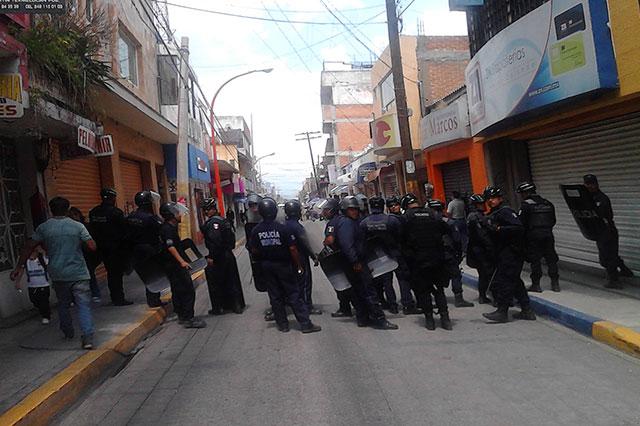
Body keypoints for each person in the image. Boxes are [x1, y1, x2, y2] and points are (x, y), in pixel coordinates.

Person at [11, 197, 97, 349]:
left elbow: (28, 246)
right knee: (83, 304)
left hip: (58, 273)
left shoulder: (44, 228)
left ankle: (67, 330)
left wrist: (19, 267)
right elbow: (92, 246)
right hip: (79, 272)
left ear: (51, 210)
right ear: (68, 209)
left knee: (63, 304)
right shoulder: (78, 226)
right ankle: (88, 338)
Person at [248, 198, 321, 334]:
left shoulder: (256, 230)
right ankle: (305, 324)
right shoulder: (282, 228)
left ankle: (283, 325)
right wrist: (298, 265)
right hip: (284, 266)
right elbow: (293, 249)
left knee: (275, 296)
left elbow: (254, 250)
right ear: (275, 211)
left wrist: (265, 252)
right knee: (294, 293)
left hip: (267, 266)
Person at [334, 196, 398, 330]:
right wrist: (355, 261)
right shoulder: (346, 223)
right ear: (345, 210)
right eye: (351, 210)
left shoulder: (350, 222)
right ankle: (379, 319)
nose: (355, 212)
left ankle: (363, 318)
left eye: (356, 209)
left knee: (359, 291)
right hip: (356, 263)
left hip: (355, 262)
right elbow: (347, 245)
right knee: (369, 291)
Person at [482, 187, 536, 323]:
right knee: (515, 282)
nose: (490, 201)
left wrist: (499, 229)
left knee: (505, 282)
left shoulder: (505, 211)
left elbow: (518, 228)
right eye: (488, 198)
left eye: (493, 198)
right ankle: (527, 310)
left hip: (511, 253)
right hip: (503, 253)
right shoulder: (495, 213)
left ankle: (502, 311)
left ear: (500, 198)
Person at [401, 193, 452, 330]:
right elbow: (448, 231)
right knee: (439, 290)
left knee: (423, 291)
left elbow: (401, 240)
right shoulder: (433, 214)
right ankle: (445, 319)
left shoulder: (406, 218)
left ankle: (430, 320)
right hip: (437, 259)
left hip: (417, 261)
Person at [159, 202, 206, 329]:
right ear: (171, 215)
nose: (180, 215)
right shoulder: (167, 229)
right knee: (188, 290)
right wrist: (182, 262)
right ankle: (188, 318)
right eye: (177, 213)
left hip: (172, 265)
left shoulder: (170, 227)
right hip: (174, 266)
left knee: (177, 290)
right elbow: (171, 247)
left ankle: (181, 315)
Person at [583, 174, 634, 289]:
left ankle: (614, 281)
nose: (589, 187)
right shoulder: (590, 198)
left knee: (606, 258)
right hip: (600, 231)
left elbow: (602, 215)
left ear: (596, 184)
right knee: (611, 254)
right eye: (587, 184)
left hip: (607, 231)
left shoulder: (602, 199)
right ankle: (625, 271)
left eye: (591, 184)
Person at [200, 198, 245, 315]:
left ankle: (218, 307)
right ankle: (237, 305)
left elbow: (216, 242)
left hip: (219, 257)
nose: (205, 212)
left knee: (216, 283)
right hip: (228, 255)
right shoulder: (224, 221)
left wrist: (211, 256)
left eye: (206, 210)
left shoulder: (212, 224)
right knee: (232, 280)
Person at [427, 199, 474, 308]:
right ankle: (459, 299)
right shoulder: (449, 222)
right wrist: (459, 253)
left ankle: (437, 298)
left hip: (433, 254)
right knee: (455, 275)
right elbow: (457, 239)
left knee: (434, 277)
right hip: (448, 254)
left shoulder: (427, 223)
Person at [89, 188, 132, 306]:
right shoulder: (116, 213)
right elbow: (124, 231)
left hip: (99, 248)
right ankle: (118, 298)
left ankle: (99, 295)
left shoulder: (94, 212)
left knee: (102, 272)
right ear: (113, 198)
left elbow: (92, 229)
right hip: (114, 248)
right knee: (115, 274)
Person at [516, 182, 560, 292]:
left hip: (533, 236)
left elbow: (521, 223)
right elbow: (553, 220)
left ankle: (536, 285)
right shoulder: (548, 203)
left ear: (526, 193)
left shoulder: (526, 205)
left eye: (522, 193)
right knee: (551, 259)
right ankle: (555, 284)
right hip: (548, 234)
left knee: (535, 260)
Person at [360, 196, 401, 314]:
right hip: (390, 254)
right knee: (388, 282)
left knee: (376, 281)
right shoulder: (392, 220)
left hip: (372, 257)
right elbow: (399, 235)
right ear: (383, 206)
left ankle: (381, 302)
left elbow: (361, 240)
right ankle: (393, 305)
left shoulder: (364, 223)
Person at [126, 191, 165, 308]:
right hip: (150, 250)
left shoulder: (131, 216)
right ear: (148, 203)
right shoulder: (151, 218)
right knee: (153, 275)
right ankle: (154, 300)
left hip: (135, 250)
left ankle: (153, 299)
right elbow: (160, 231)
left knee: (145, 274)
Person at [284, 199, 322, 315]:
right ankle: (307, 306)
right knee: (305, 283)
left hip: (288, 260)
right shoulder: (297, 226)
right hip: (300, 258)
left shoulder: (284, 225)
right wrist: (313, 256)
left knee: (294, 283)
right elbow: (305, 244)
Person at [385, 196, 422, 314]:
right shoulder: (395, 220)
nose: (394, 207)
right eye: (391, 206)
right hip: (399, 253)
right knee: (403, 278)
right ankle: (407, 304)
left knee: (405, 278)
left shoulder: (397, 218)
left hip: (399, 253)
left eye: (395, 205)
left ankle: (404, 303)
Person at [321, 198, 355, 318]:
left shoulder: (332, 223)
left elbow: (330, 240)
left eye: (325, 210)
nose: (323, 213)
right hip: (346, 256)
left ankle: (346, 308)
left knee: (342, 285)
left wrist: (325, 243)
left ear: (332, 210)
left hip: (339, 258)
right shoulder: (343, 220)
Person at [466, 194, 495, 304]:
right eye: (480, 204)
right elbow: (481, 235)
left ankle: (484, 295)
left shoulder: (478, 215)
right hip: (480, 250)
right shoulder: (474, 217)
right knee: (486, 273)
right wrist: (490, 247)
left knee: (484, 274)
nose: (483, 206)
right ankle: (486, 295)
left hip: (479, 249)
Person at [68, 207, 101, 303]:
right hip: (77, 255)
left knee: (90, 274)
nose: (74, 218)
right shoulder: (72, 228)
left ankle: (95, 293)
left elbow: (92, 243)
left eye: (75, 215)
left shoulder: (85, 227)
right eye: (71, 216)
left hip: (87, 255)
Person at [17, 247, 51, 324]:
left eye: (33, 252)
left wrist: (42, 251)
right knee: (34, 300)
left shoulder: (42, 260)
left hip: (43, 285)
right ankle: (44, 310)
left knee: (44, 301)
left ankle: (46, 316)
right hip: (32, 286)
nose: (31, 254)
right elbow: (21, 270)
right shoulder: (27, 262)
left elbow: (46, 257)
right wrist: (18, 282)